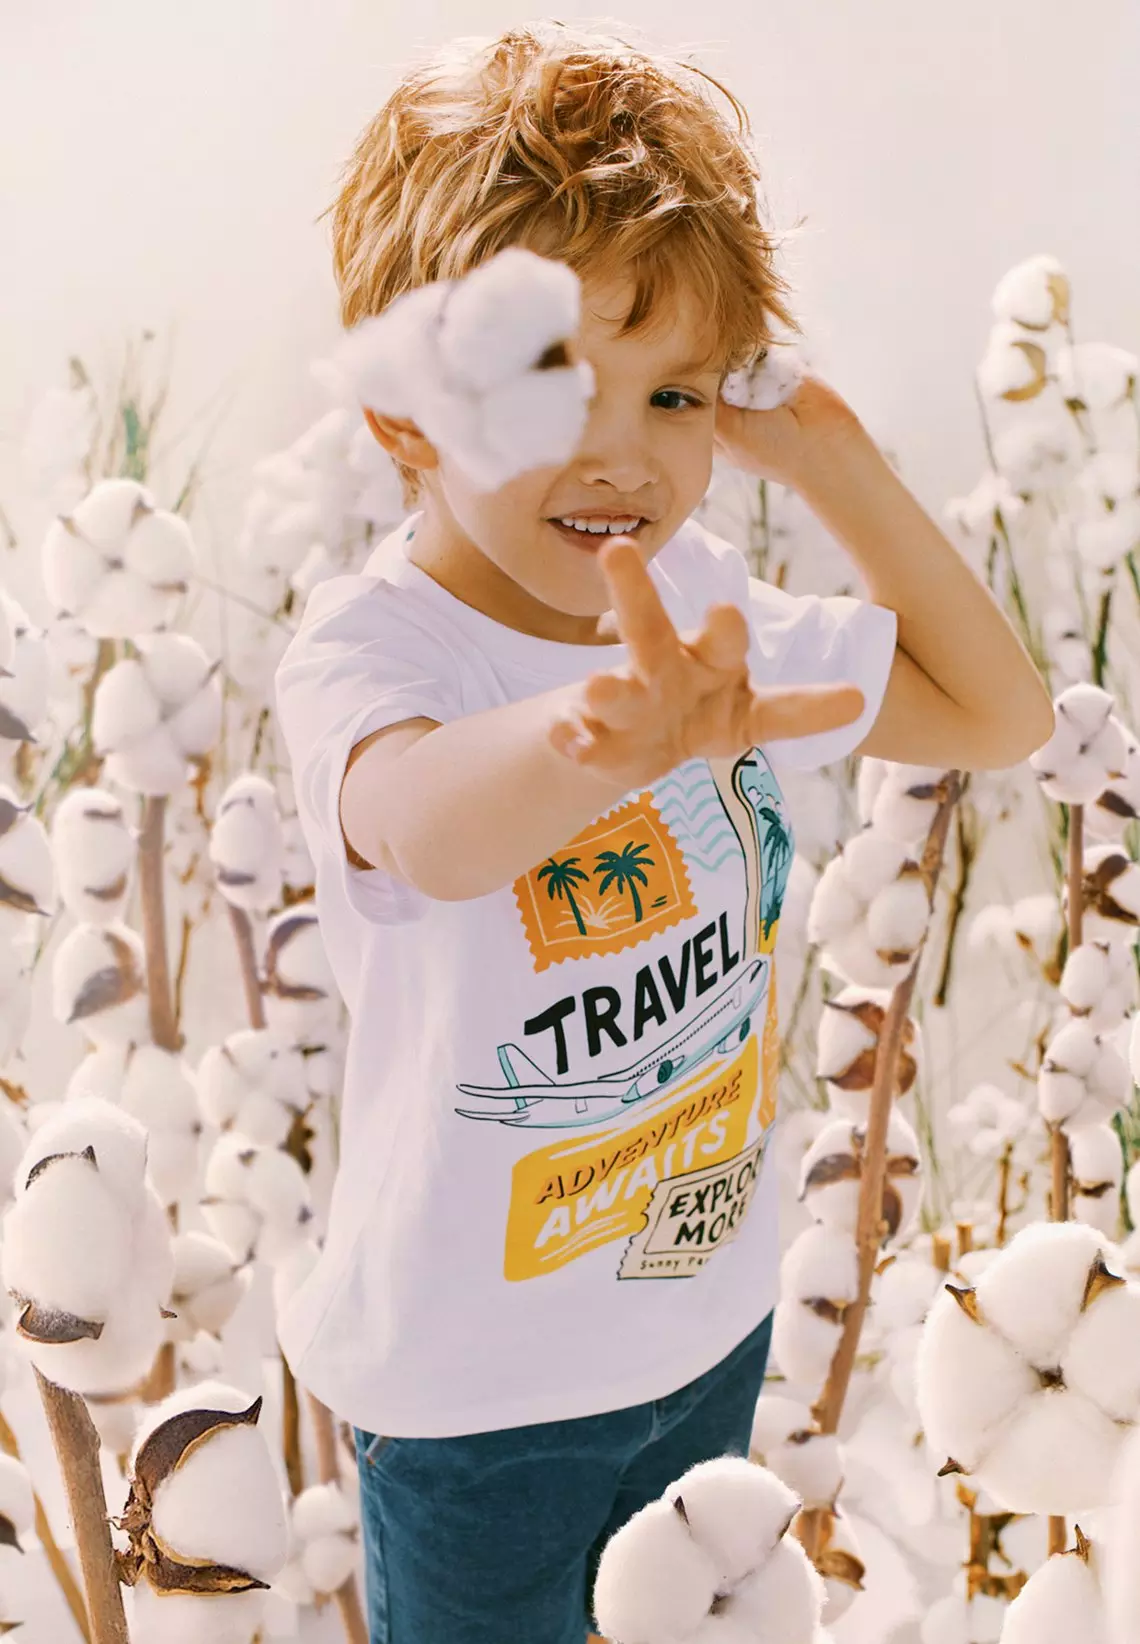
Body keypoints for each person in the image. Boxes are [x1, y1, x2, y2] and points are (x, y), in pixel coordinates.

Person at [273, 21, 1052, 1643]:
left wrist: (827, 452)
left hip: (703, 1323)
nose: (622, 452)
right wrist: (591, 736)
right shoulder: (375, 655)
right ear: (408, 419)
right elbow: (427, 831)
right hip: (477, 1406)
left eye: (677, 392)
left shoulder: (697, 607)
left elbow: (995, 714)